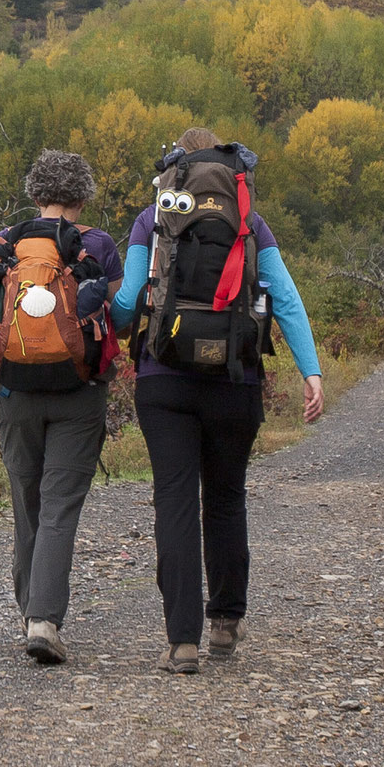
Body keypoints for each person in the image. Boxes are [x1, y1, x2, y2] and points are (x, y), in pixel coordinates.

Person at [109, 127, 324, 674]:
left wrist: (104, 326)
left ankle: (181, 642)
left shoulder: (152, 219)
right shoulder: (250, 223)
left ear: (175, 170)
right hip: (236, 380)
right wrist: (311, 372)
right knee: (226, 498)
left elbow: (131, 303)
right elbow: (287, 300)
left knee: (174, 501)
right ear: (232, 177)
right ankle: (226, 623)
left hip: (165, 380)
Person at [0, 149, 121, 666]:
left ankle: (28, 612)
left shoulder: (6, 244)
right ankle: (44, 621)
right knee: (60, 503)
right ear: (82, 197)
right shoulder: (98, 245)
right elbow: (122, 318)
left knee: (27, 501)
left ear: (35, 195)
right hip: (80, 395)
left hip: (13, 392)